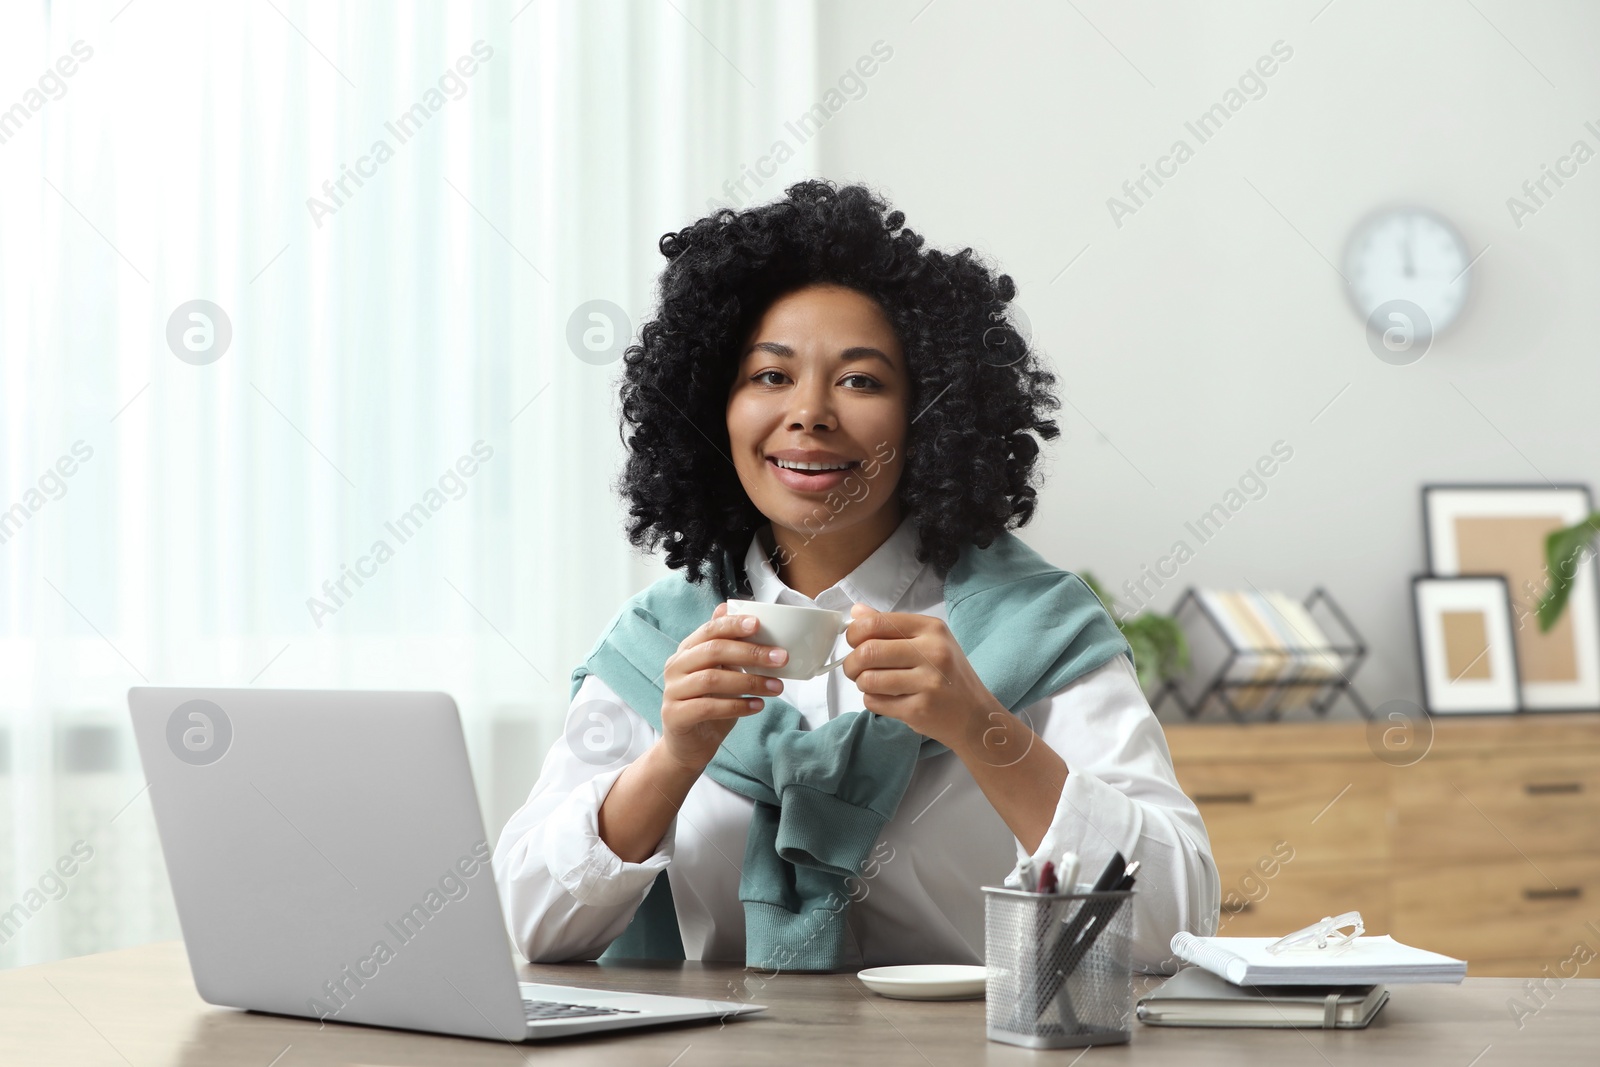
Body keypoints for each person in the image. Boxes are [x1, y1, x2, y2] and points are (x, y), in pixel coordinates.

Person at [494, 180, 1218, 974]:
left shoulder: (1036, 628)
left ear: (928, 416)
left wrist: (984, 729)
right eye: (770, 376)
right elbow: (534, 927)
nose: (809, 412)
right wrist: (670, 759)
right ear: (713, 406)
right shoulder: (658, 645)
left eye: (861, 380)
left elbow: (1174, 923)